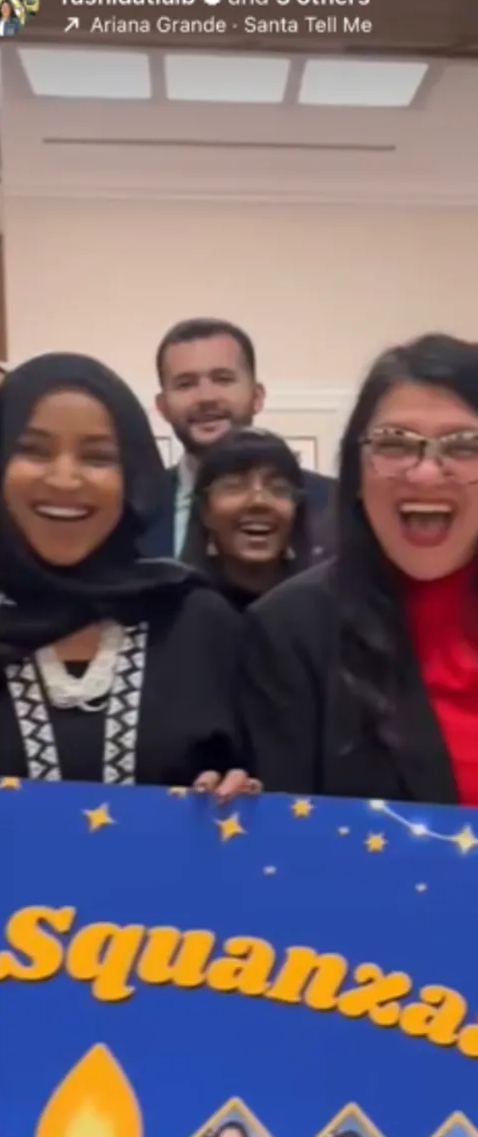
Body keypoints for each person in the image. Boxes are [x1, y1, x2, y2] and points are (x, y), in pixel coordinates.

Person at [0, 353, 254, 795]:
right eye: (33, 451)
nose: (64, 479)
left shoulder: (195, 620)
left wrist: (245, 792)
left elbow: (270, 784)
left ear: (132, 476)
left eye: (98, 457)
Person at [241, 333, 478, 803]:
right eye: (395, 443)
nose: (427, 473)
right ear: (355, 474)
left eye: (464, 445)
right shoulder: (290, 630)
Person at [143, 317, 334, 556]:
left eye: (223, 379)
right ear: (162, 406)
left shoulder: (333, 505)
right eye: (185, 384)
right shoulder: (132, 509)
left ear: (257, 397)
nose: (206, 397)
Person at [183, 428, 316, 611]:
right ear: (205, 511)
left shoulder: (325, 610)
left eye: (278, 488)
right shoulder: (176, 612)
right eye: (234, 486)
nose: (258, 501)